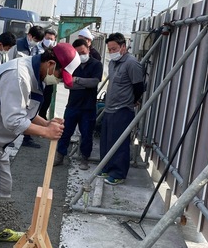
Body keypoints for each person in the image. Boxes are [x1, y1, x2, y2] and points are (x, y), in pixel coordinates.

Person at [0, 43, 80, 248]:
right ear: (51, 64)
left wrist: (46, 123)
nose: (57, 80)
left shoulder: (36, 76)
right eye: (59, 74)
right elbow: (13, 121)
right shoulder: (19, 76)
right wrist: (47, 132)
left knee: (4, 188)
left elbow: (25, 112)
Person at [99, 32, 144, 185]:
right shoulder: (113, 63)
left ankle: (118, 173)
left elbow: (139, 86)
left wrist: (133, 100)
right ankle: (106, 167)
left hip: (123, 109)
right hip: (110, 107)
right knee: (106, 140)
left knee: (119, 142)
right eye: (109, 49)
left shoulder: (132, 63)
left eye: (114, 49)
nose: (112, 52)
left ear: (123, 47)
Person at [54, 38, 103, 170]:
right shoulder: (72, 64)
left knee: (87, 134)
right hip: (72, 105)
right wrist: (83, 84)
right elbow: (67, 85)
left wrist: (77, 80)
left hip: (88, 107)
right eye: (78, 53)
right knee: (65, 132)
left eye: (83, 52)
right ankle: (60, 156)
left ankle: (84, 158)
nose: (81, 55)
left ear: (88, 49)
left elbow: (94, 82)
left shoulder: (96, 64)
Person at [8, 25, 46, 148]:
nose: (36, 43)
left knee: (30, 112)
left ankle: (27, 138)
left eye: (39, 41)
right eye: (35, 40)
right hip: (16, 84)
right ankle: (8, 138)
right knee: (13, 110)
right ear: (29, 36)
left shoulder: (40, 50)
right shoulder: (16, 46)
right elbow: (8, 63)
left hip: (31, 87)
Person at [38, 28, 58, 120]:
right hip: (37, 79)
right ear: (43, 38)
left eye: (51, 39)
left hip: (49, 80)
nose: (49, 40)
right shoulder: (37, 48)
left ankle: (42, 117)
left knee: (46, 101)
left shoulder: (57, 51)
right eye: (47, 38)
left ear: (55, 40)